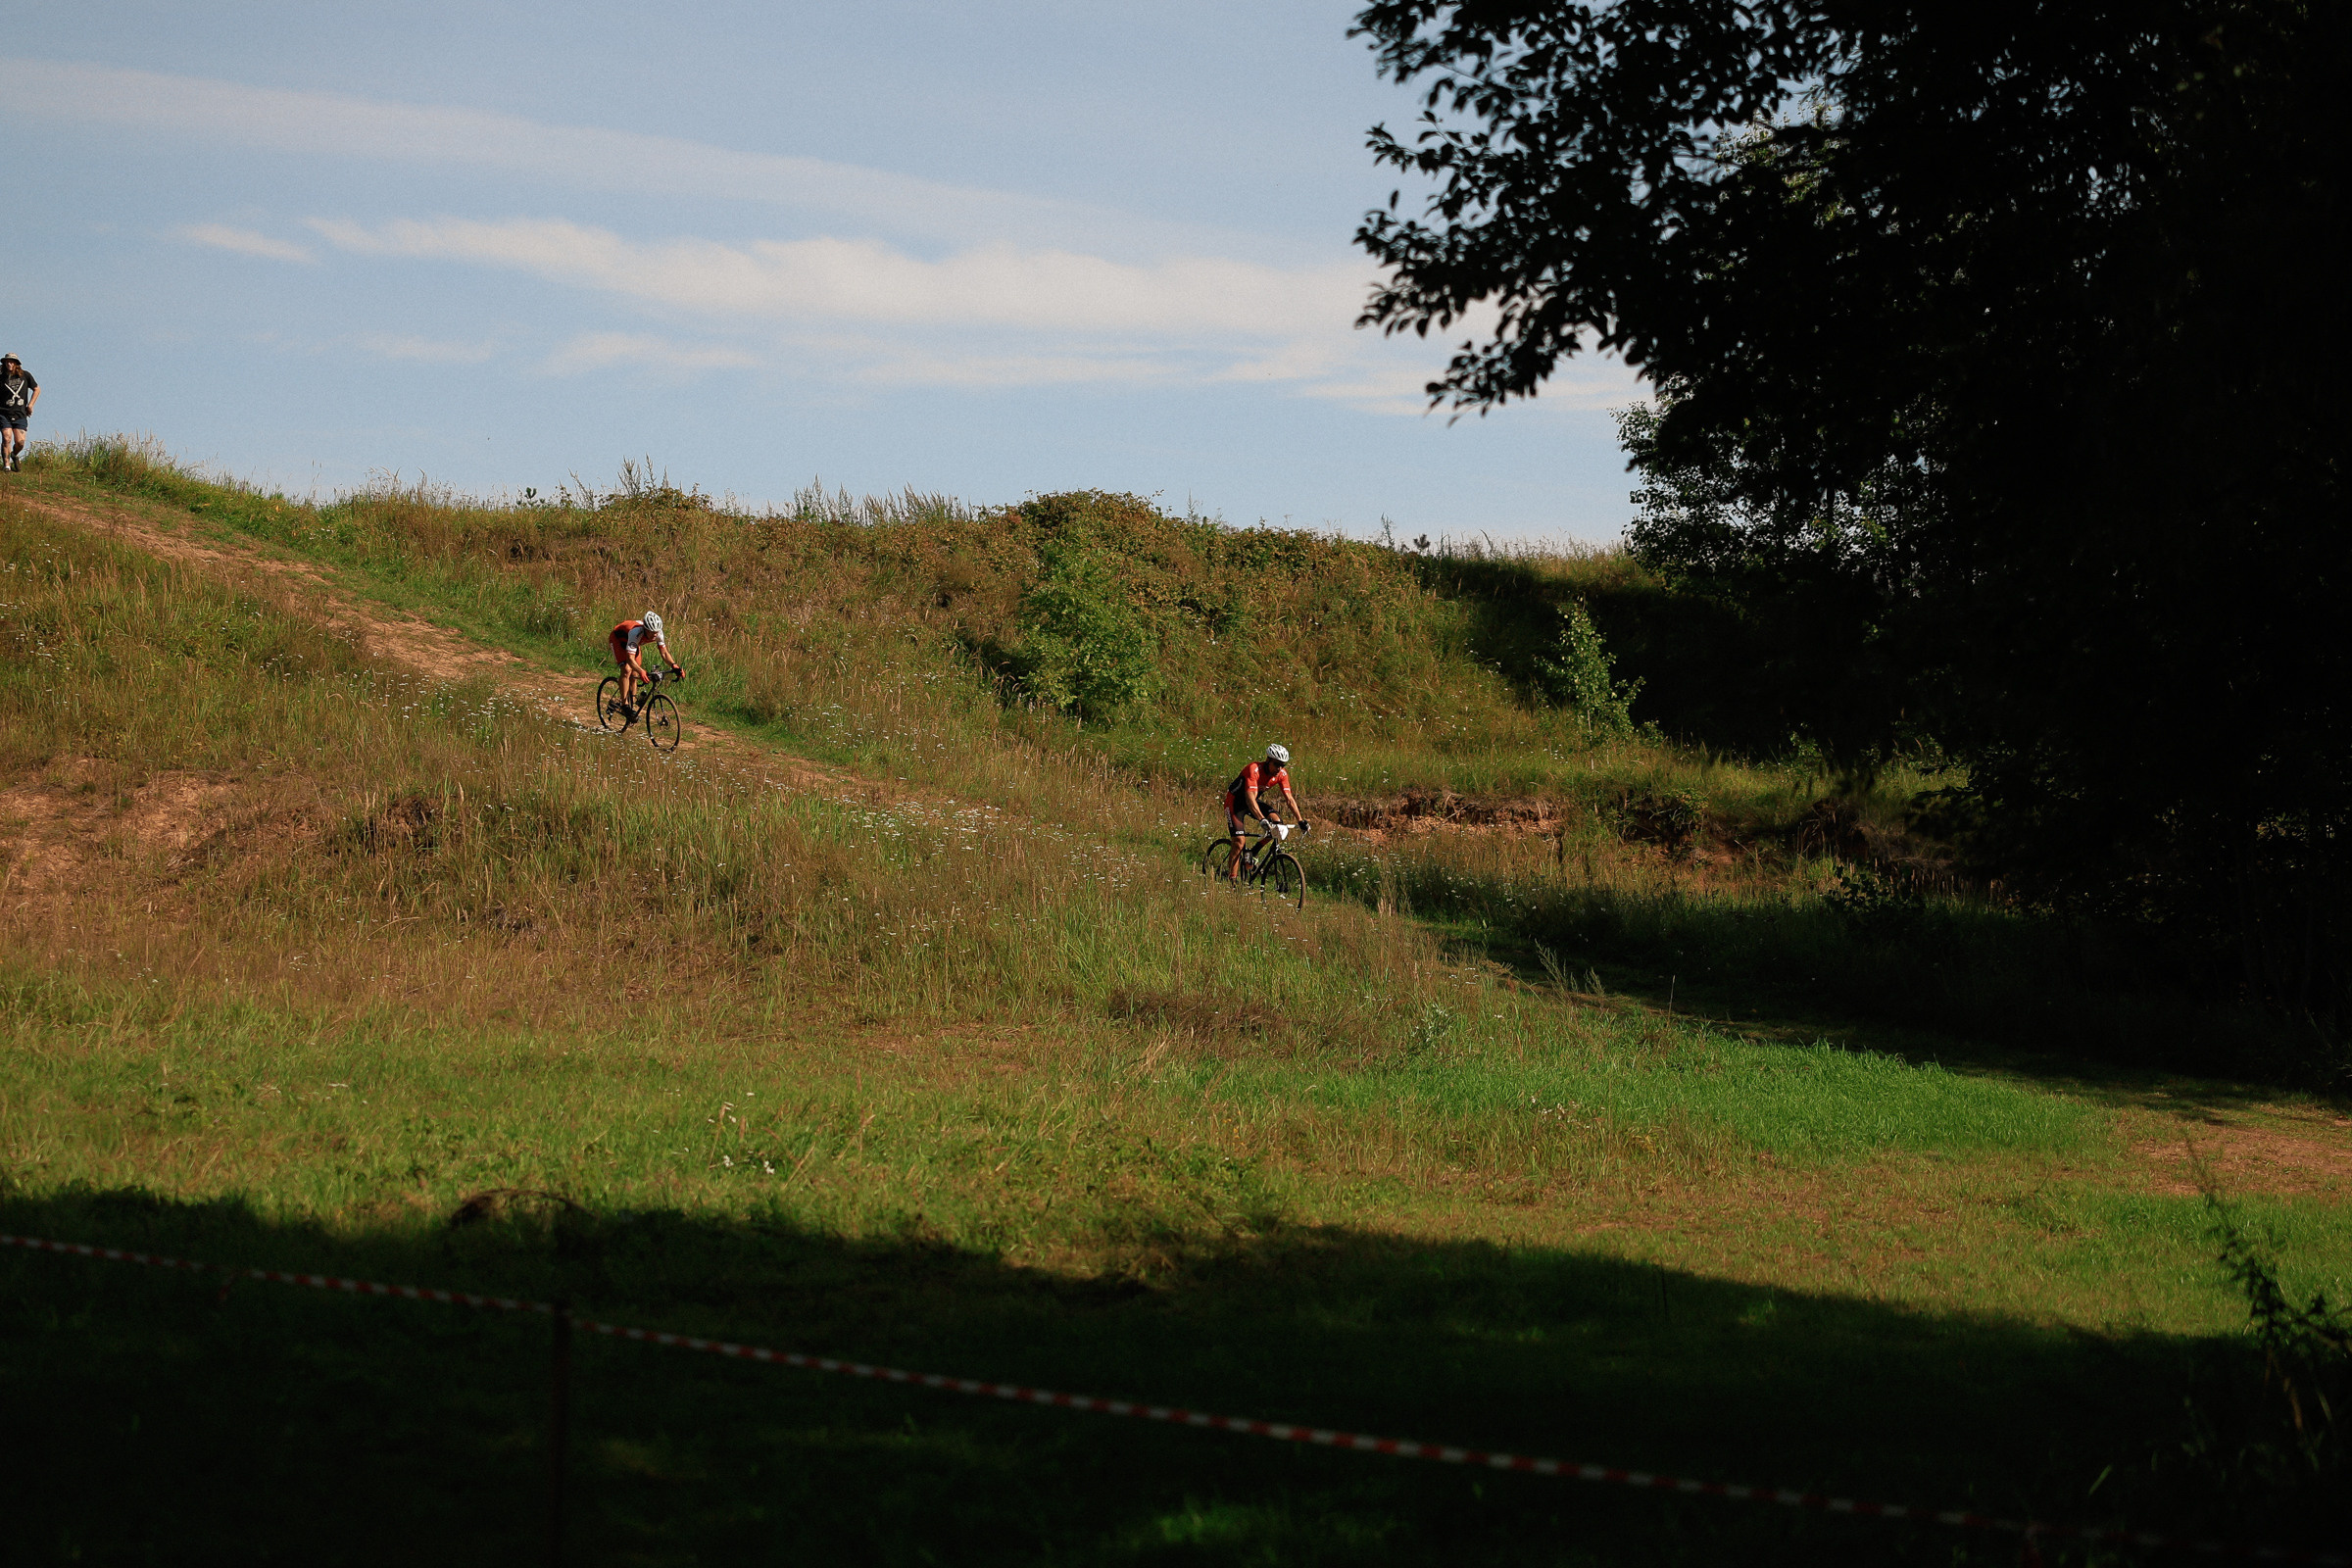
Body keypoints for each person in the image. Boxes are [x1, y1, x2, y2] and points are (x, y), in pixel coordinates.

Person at [1221, 743, 1307, 877]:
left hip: (1253, 802)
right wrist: (1261, 819)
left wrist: (1300, 820)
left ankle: (1253, 852)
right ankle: (1231, 881)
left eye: (1282, 765)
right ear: (1268, 760)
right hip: (1234, 804)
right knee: (1239, 842)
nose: (1279, 768)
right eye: (1276, 764)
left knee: (1277, 825)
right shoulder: (1253, 769)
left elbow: (1289, 799)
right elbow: (1250, 799)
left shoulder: (1282, 774)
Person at [608, 612, 683, 712]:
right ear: (645, 629)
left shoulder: (658, 633)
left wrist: (675, 666)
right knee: (626, 669)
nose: (655, 634)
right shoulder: (636, 633)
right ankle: (624, 705)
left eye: (657, 631)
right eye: (652, 632)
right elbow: (630, 659)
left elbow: (664, 653)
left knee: (634, 674)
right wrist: (641, 671)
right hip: (618, 639)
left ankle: (632, 705)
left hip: (632, 643)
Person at [0, 356, 36, 472]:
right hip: (4, 413)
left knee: (20, 442)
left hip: (20, 413)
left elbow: (37, 389)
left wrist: (30, 405)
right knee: (6, 438)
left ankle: (14, 454)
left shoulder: (25, 376)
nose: (9, 364)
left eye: (11, 362)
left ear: (16, 364)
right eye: (7, 362)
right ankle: (6, 465)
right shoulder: (1, 378)